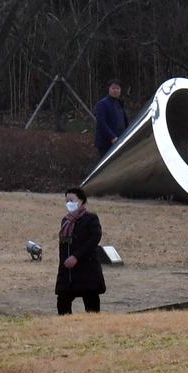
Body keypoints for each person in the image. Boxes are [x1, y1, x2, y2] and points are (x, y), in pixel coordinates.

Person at [55, 186, 105, 314]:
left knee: (91, 306)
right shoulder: (65, 221)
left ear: (81, 201)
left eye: (72, 200)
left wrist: (76, 256)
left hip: (87, 270)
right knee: (63, 304)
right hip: (68, 273)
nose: (69, 203)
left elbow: (94, 239)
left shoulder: (91, 218)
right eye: (67, 201)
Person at [94, 80, 129, 158]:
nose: (115, 90)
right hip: (106, 143)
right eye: (113, 88)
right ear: (109, 89)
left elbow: (124, 122)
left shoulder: (120, 103)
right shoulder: (102, 104)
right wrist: (112, 137)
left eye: (118, 88)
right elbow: (101, 123)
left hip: (120, 140)